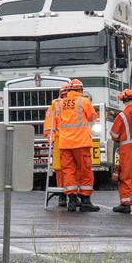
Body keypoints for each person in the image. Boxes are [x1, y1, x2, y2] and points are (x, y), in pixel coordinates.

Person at [54, 78, 99, 212]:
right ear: (80, 90)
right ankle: (85, 200)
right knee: (85, 170)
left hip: (65, 143)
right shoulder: (84, 101)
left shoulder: (61, 103)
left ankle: (72, 200)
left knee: (68, 171)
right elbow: (92, 117)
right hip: (81, 142)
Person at [44, 83, 71, 207]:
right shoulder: (75, 104)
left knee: (61, 169)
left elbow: (49, 124)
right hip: (70, 140)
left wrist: (50, 137)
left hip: (61, 140)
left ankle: (64, 195)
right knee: (66, 169)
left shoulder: (55, 105)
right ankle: (69, 195)